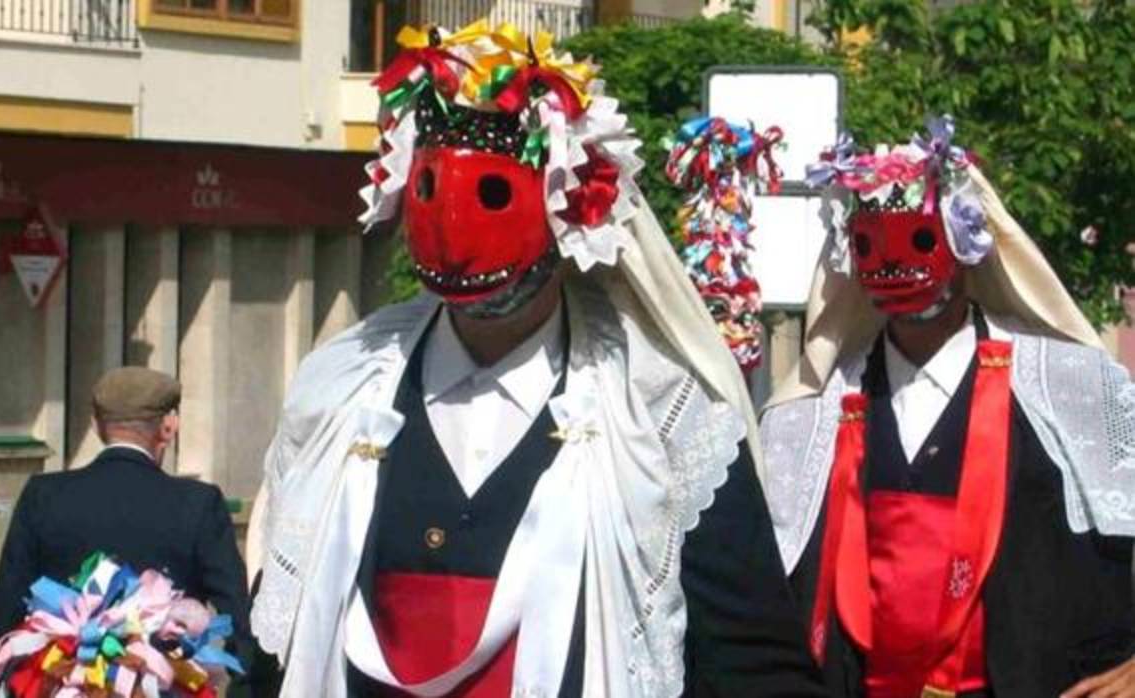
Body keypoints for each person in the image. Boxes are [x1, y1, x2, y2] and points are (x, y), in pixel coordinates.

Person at [246, 19, 826, 698]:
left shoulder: (662, 410)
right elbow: (278, 637)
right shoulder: (342, 390)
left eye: (494, 198)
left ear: (574, 214)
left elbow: (754, 667)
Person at [760, 117, 1135, 697]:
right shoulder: (811, 418)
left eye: (918, 240)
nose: (895, 264)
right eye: (872, 245)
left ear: (965, 244)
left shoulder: (1066, 385)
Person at [0, 367, 255, 698]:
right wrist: (248, 686)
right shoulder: (198, 503)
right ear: (169, 428)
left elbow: (7, 607)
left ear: (96, 426)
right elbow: (238, 612)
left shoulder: (44, 495)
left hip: (63, 683)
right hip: (161, 686)